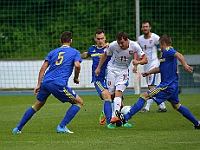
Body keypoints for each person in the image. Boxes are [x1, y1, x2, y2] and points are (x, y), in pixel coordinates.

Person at [111, 34, 200, 130]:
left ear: (163, 44)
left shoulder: (168, 49)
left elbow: (179, 55)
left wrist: (185, 65)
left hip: (167, 85)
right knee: (176, 106)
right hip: (172, 85)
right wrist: (148, 72)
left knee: (144, 95)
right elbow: (160, 69)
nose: (159, 47)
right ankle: (197, 123)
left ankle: (125, 117)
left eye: (160, 45)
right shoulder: (165, 55)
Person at [12, 31, 84, 134]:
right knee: (79, 102)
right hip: (58, 84)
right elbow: (77, 65)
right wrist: (76, 78)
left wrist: (38, 84)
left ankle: (17, 128)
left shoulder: (53, 52)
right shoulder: (75, 52)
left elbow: (43, 68)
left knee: (37, 105)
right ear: (71, 41)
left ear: (60, 41)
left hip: (46, 82)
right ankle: (61, 126)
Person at [95, 31, 148, 127]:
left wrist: (138, 62)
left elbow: (145, 59)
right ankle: (104, 112)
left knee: (118, 93)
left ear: (127, 40)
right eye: (118, 43)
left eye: (122, 43)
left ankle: (114, 116)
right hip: (112, 70)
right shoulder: (113, 45)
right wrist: (98, 67)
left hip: (123, 71)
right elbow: (105, 55)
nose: (120, 45)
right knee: (110, 94)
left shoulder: (135, 46)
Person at [81, 29, 114, 129]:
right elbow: (86, 55)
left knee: (118, 100)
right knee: (107, 96)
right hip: (98, 79)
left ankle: (105, 112)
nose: (100, 41)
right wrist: (81, 56)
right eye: (98, 39)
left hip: (111, 78)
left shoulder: (110, 48)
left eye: (102, 39)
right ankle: (109, 122)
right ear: (95, 39)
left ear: (105, 38)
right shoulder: (92, 49)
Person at [135, 21, 167, 113]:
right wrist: (136, 64)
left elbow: (161, 49)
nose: (145, 28)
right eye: (143, 27)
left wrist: (162, 61)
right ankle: (162, 106)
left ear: (150, 28)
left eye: (147, 26)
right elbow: (138, 51)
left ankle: (147, 108)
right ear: (141, 28)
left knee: (151, 86)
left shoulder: (155, 38)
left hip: (154, 64)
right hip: (146, 65)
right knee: (153, 87)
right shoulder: (140, 39)